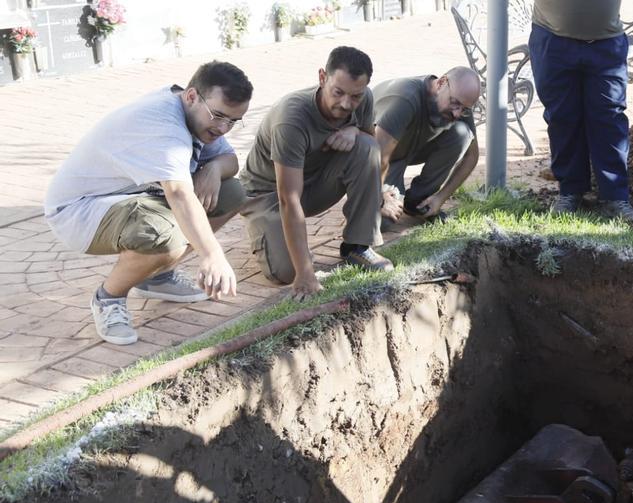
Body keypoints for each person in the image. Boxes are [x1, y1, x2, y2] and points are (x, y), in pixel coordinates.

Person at [44, 61, 252, 345]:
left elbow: (231, 162)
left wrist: (214, 170)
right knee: (161, 232)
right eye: (219, 116)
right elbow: (179, 194)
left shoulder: (198, 114)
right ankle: (108, 298)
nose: (224, 127)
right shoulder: (164, 126)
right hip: (80, 210)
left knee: (231, 193)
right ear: (192, 96)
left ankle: (157, 277)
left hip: (130, 199)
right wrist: (212, 254)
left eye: (233, 120)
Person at [240, 46, 392, 300]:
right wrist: (305, 272)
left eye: (355, 96)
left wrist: (354, 131)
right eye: (338, 92)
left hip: (313, 182)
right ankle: (267, 233)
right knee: (285, 272)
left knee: (367, 148)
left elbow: (371, 143)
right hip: (267, 195)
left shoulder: (362, 100)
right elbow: (288, 199)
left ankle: (358, 245)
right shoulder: (291, 118)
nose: (346, 104)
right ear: (322, 77)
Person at [529, 0, 633, 226]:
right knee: (562, 117)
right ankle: (570, 192)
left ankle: (615, 197)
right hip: (552, 39)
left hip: (606, 42)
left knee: (609, 118)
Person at [373, 67, 482, 222]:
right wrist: (380, 198)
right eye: (455, 103)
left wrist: (440, 198)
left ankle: (418, 201)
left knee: (463, 134)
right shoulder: (406, 98)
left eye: (464, 109)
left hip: (408, 148)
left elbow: (472, 157)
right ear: (441, 83)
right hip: (378, 157)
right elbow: (375, 154)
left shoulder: (460, 102)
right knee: (380, 219)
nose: (457, 113)